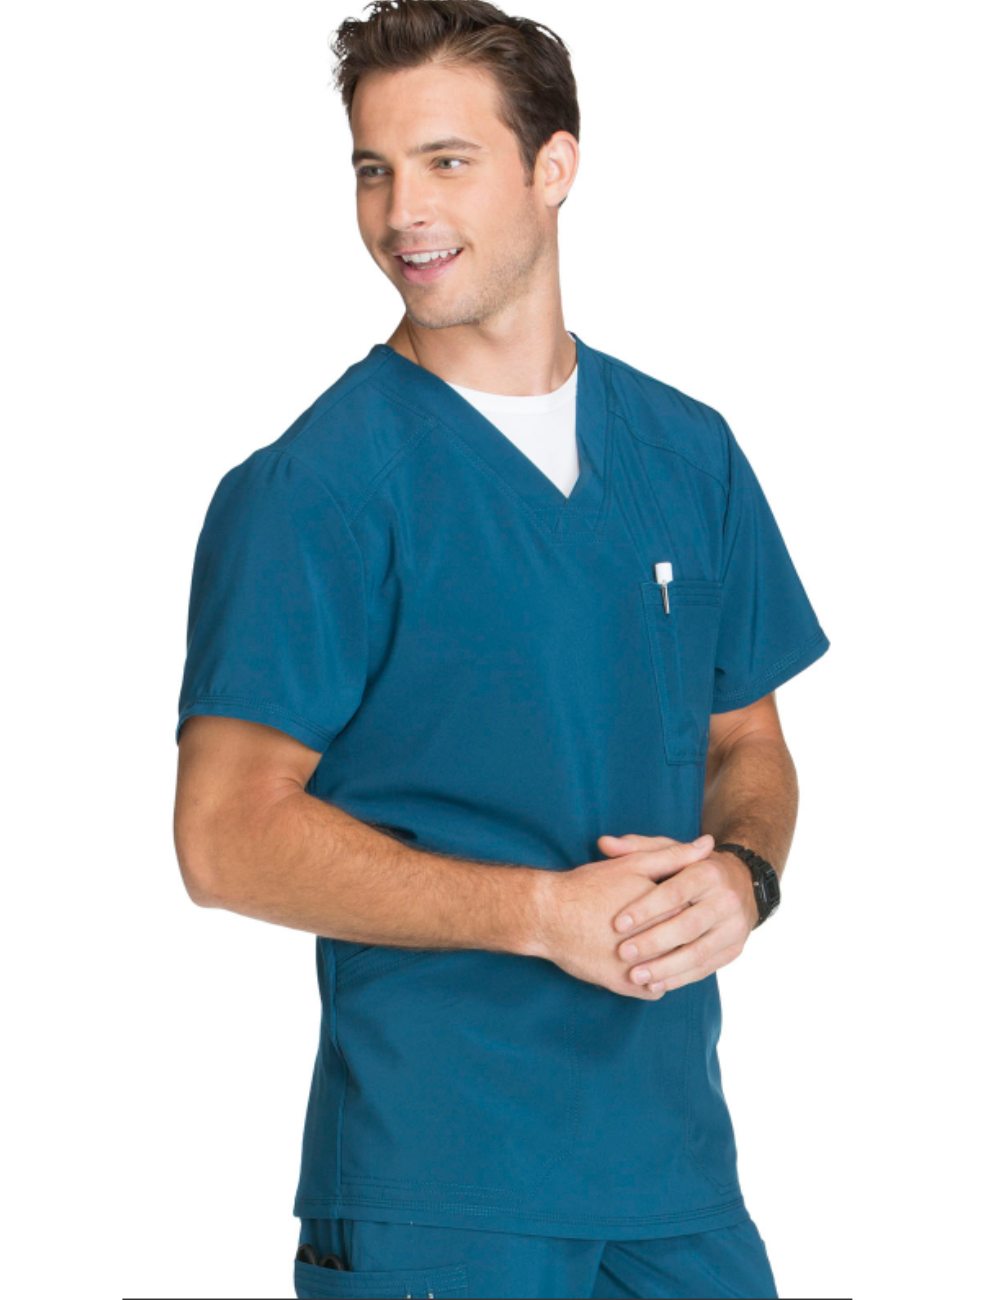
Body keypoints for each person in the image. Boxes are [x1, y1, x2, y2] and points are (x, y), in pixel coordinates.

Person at [173, 3, 831, 1296]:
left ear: (554, 166)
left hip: (675, 1174)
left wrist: (746, 873)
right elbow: (223, 836)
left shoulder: (688, 452)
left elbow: (744, 740)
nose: (403, 211)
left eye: (447, 161)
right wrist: (538, 915)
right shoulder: (315, 490)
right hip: (441, 1187)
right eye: (375, 169)